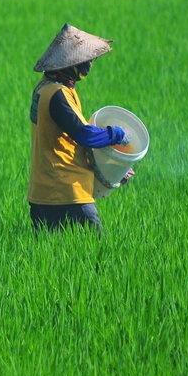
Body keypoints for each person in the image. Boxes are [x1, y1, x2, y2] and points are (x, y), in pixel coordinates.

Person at [28, 24, 134, 233]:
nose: (90, 66)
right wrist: (117, 135)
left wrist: (114, 171)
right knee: (96, 256)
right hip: (67, 193)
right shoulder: (57, 94)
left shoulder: (46, 87)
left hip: (44, 192)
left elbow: (70, 144)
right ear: (71, 63)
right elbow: (85, 135)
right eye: (86, 61)